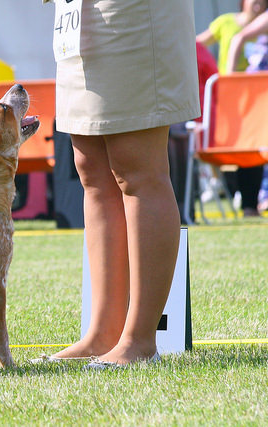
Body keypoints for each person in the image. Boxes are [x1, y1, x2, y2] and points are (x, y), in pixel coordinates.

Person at [41, 0, 200, 367]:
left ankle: (140, 341)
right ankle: (103, 332)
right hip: (75, 15)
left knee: (136, 167)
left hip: (132, 11)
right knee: (90, 168)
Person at [197, 0, 267, 218]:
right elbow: (197, 45)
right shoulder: (226, 22)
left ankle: (249, 204)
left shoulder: (263, 24)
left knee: (252, 148)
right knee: (230, 147)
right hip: (229, 100)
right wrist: (227, 80)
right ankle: (234, 193)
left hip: (257, 101)